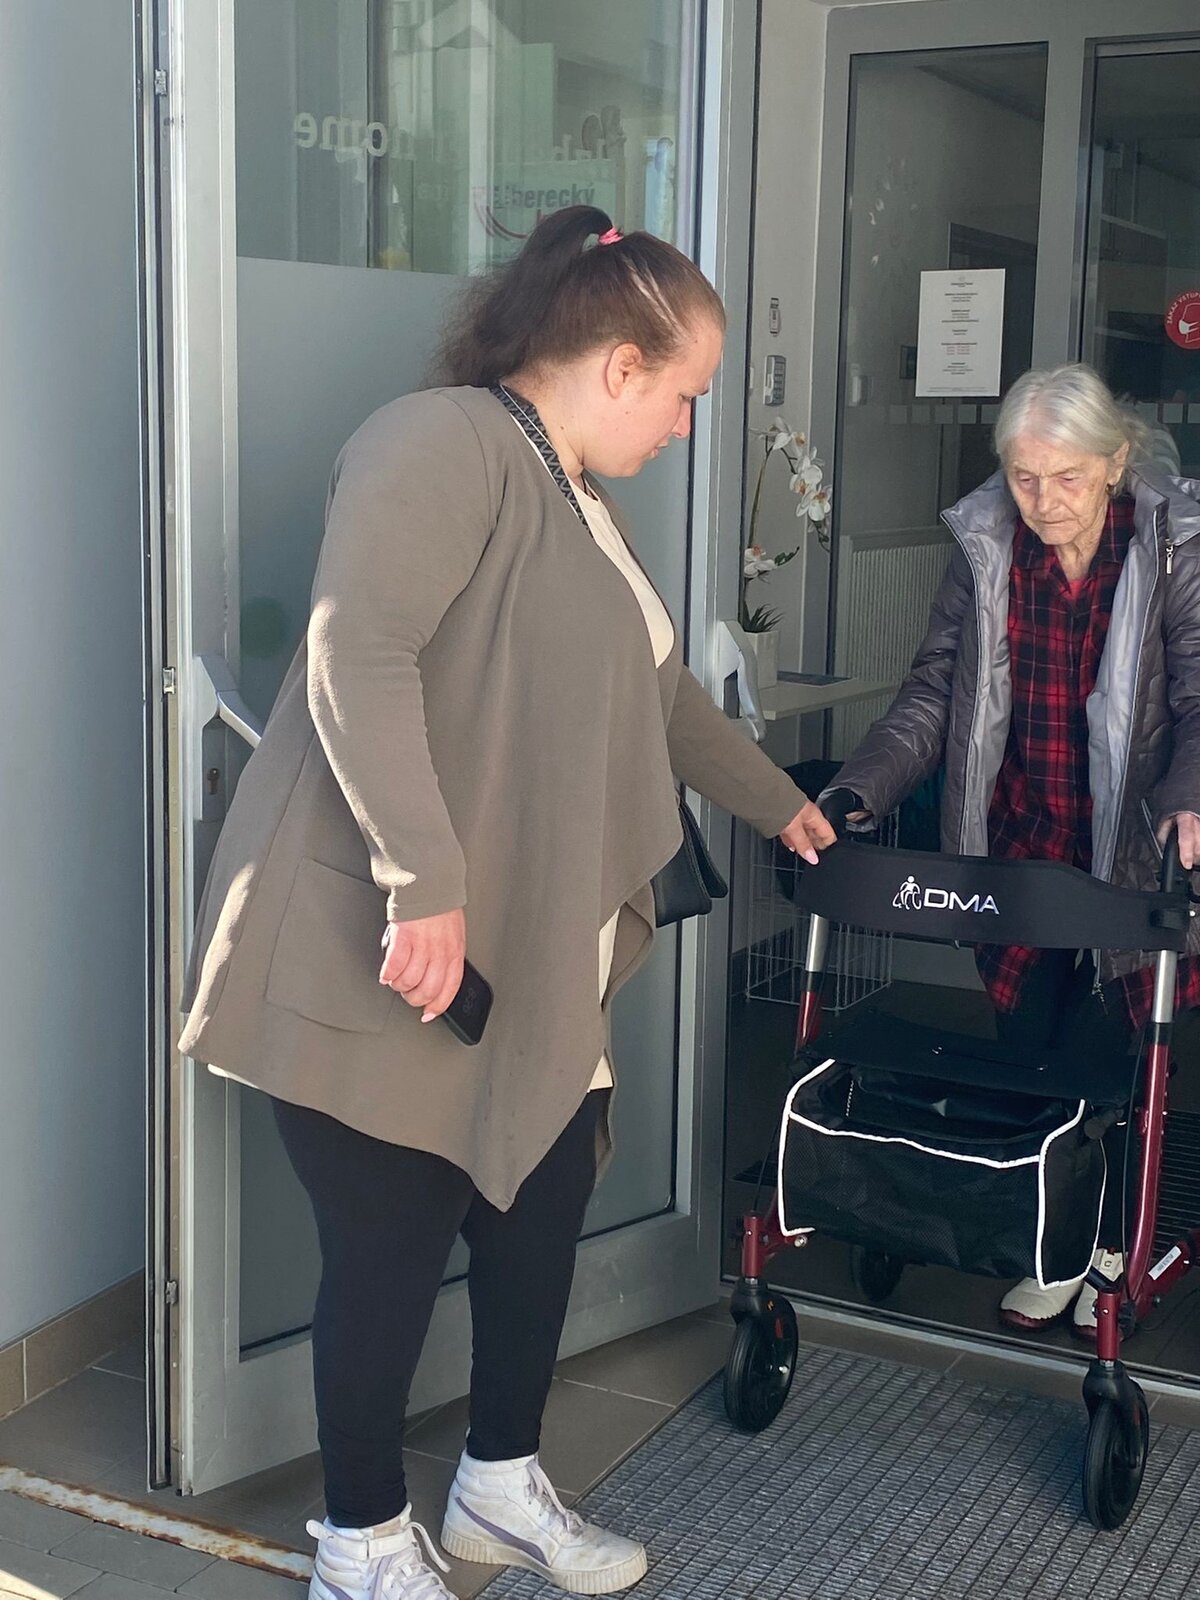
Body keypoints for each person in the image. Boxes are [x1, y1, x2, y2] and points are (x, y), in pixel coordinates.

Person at [178, 205, 836, 1600]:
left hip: (526, 966)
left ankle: (495, 1487)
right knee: (388, 1251)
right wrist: (422, 880)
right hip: (393, 947)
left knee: (536, 1221)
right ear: (617, 362)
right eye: (682, 395)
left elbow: (659, 696)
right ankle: (360, 1542)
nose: (683, 427)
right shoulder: (439, 442)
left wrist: (778, 801)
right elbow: (358, 652)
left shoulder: (580, 499)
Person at [827, 363, 1200, 1338]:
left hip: (1132, 851)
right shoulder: (989, 548)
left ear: (1114, 461)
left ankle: (1108, 1247)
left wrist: (1189, 800)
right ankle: (1053, 1241)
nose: (1043, 499)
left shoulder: (1174, 546)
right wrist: (861, 787)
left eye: (1067, 476)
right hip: (1025, 838)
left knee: (1110, 1060)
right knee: (1030, 1050)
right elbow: (933, 692)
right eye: (1025, 476)